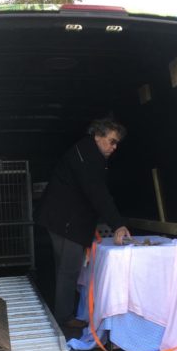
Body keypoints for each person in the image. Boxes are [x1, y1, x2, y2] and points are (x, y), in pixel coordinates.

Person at [38, 117, 131, 328]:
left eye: (117, 143)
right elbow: (98, 194)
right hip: (65, 221)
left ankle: (63, 313)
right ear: (98, 136)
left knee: (65, 268)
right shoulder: (87, 155)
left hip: (61, 219)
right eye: (112, 141)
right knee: (68, 269)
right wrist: (118, 224)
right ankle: (64, 318)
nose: (114, 147)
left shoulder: (86, 151)